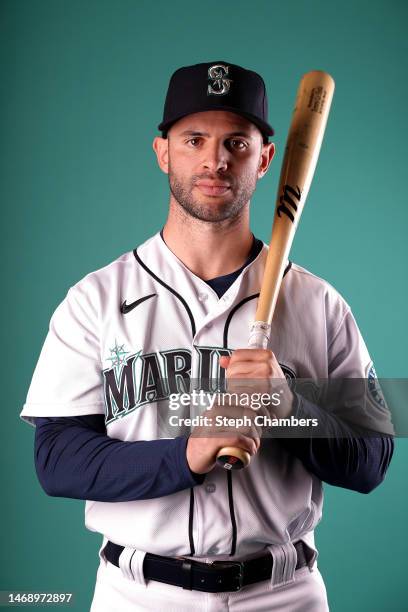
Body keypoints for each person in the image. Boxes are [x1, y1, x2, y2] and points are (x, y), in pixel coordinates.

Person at [20, 61, 394, 611]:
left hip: (284, 593)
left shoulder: (318, 303)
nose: (215, 160)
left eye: (236, 143)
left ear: (266, 159)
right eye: (194, 139)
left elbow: (372, 462)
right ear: (163, 152)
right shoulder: (94, 300)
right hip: (137, 595)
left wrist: (290, 407)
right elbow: (56, 461)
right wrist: (185, 455)